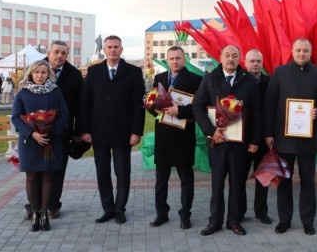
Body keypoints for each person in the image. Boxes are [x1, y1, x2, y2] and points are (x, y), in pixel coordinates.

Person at [263, 38, 317, 236]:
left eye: (305, 50)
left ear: (311, 53)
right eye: (298, 50)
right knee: (284, 180)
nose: (302, 53)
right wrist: (268, 134)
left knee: (308, 181)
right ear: (292, 51)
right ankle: (285, 220)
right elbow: (269, 104)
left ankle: (307, 221)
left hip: (307, 139)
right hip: (282, 138)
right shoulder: (280, 73)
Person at [192, 44, 261, 236]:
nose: (231, 59)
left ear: (240, 59)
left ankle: (234, 220)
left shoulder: (248, 81)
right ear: (220, 57)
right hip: (217, 142)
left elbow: (256, 112)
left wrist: (255, 140)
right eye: (227, 55)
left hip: (240, 144)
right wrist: (210, 131)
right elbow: (197, 106)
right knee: (217, 183)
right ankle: (214, 221)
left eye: (235, 56)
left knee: (238, 183)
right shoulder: (209, 79)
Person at [80, 35, 145, 225]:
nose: (112, 50)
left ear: (121, 50)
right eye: (109, 47)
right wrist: (84, 130)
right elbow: (85, 103)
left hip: (123, 132)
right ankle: (107, 208)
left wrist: (136, 131)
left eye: (116, 47)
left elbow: (137, 104)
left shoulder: (133, 72)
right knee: (102, 172)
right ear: (104, 50)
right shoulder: (94, 71)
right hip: (98, 131)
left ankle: (119, 209)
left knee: (122, 172)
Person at [23, 41, 84, 221]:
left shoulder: (74, 74)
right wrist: (29, 129)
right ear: (48, 53)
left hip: (60, 132)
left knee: (56, 170)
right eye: (56, 52)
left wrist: (78, 131)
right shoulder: (35, 68)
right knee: (34, 171)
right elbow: (23, 99)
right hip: (35, 132)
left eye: (64, 53)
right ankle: (33, 206)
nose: (60, 56)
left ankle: (53, 205)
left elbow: (79, 105)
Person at [11, 60, 70, 232]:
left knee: (48, 176)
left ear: (48, 74)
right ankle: (35, 212)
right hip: (30, 141)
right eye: (37, 72)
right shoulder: (23, 93)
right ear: (31, 73)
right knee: (31, 177)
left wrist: (52, 131)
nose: (40, 75)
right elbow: (16, 118)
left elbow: (65, 113)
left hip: (50, 139)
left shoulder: (55, 91)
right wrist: (33, 133)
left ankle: (44, 213)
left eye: (43, 72)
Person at [147, 46, 202, 229]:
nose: (174, 61)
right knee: (160, 178)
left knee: (186, 178)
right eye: (171, 59)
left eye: (178, 58)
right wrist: (152, 107)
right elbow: (152, 102)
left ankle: (185, 214)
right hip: (163, 135)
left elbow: (199, 107)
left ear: (184, 59)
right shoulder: (160, 78)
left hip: (183, 136)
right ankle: (161, 213)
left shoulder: (196, 80)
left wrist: (181, 110)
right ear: (167, 60)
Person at [242, 49, 272, 224]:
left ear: (262, 63)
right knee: (240, 177)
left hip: (263, 138)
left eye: (258, 61)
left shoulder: (269, 83)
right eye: (252, 61)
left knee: (263, 177)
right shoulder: (239, 81)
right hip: (242, 138)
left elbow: (271, 111)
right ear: (245, 62)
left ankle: (261, 211)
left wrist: (269, 134)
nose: (255, 64)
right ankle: (240, 210)